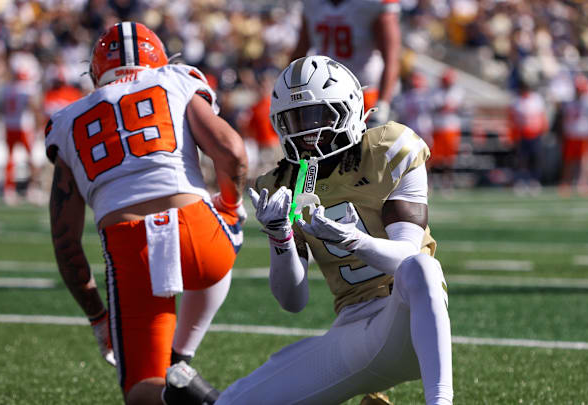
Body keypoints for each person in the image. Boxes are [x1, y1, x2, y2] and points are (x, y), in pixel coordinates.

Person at [169, 55, 453, 405]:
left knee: (423, 267)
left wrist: (353, 240)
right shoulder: (284, 181)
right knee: (236, 402)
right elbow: (293, 301)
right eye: (294, 119)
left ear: (347, 107)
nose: (305, 130)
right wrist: (280, 236)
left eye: (317, 115)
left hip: (407, 317)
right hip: (353, 329)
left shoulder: (388, 148)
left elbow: (408, 259)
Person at [45, 22, 247, 405]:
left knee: (141, 392)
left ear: (94, 73)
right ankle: (181, 360)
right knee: (221, 235)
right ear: (160, 60)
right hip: (201, 237)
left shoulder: (67, 120)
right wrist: (232, 210)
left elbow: (65, 239)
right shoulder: (176, 79)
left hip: (130, 248)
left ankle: (182, 380)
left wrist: (97, 317)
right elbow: (231, 151)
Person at [290, 0, 402, 125]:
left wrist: (383, 103)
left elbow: (392, 58)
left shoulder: (373, 5)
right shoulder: (312, 4)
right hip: (322, 93)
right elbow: (300, 50)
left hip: (363, 94)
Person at [1, 55, 42, 205]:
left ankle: (9, 190)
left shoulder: (8, 88)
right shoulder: (27, 88)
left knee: (10, 159)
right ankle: (33, 188)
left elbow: (2, 108)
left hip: (9, 125)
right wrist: (39, 125)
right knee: (31, 158)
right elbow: (33, 106)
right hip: (24, 126)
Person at [508, 75, 548, 194]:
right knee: (521, 160)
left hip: (535, 134)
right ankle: (521, 181)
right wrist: (513, 135)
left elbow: (542, 116)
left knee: (535, 158)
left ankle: (534, 181)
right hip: (522, 134)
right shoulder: (516, 101)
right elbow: (512, 119)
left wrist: (543, 130)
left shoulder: (536, 99)